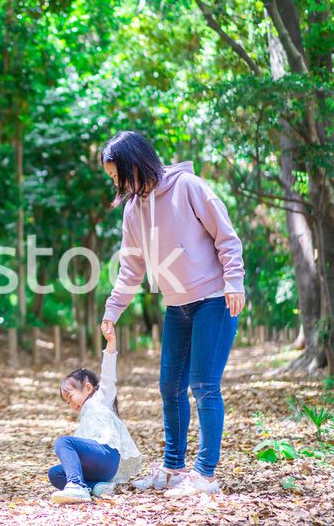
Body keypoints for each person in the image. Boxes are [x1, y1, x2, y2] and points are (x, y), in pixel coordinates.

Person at [99, 131, 245, 497]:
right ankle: (173, 467)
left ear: (135, 163)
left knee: (204, 385)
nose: (116, 183)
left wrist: (235, 281)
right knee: (169, 387)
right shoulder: (133, 210)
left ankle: (206, 475)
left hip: (214, 298)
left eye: (118, 175)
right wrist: (112, 309)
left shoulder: (189, 187)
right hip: (176, 306)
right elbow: (130, 268)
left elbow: (226, 237)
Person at [49, 323, 141, 504]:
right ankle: (97, 486)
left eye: (70, 396)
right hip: (96, 467)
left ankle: (77, 486)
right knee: (55, 474)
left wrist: (111, 341)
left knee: (63, 442)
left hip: (106, 455)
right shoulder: (85, 419)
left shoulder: (101, 398)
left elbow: (108, 374)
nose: (70, 403)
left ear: (88, 388)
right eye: (66, 402)